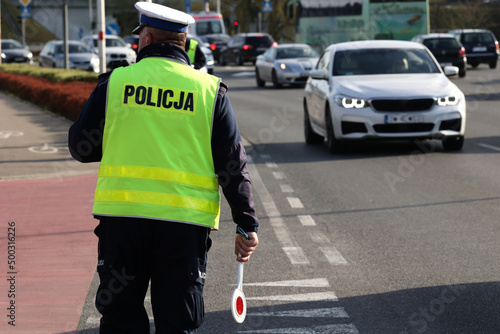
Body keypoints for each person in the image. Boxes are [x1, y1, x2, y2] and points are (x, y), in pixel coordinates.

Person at [67, 2, 259, 333]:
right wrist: (246, 223)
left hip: (124, 223)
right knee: (177, 321)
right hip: (183, 228)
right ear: (183, 41)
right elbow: (232, 164)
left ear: (147, 37)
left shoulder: (116, 84)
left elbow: (80, 148)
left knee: (120, 319)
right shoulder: (209, 91)